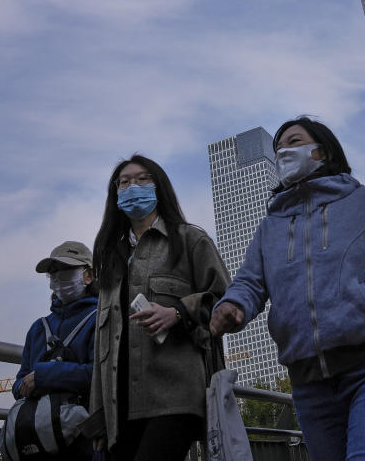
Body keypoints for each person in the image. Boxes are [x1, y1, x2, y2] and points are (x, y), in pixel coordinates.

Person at [210, 116, 365, 461]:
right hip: (308, 385)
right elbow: (250, 282)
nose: (284, 151)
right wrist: (233, 305)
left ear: (322, 151)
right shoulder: (270, 226)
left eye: (294, 142)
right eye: (278, 148)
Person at [87, 155, 231, 461]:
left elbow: (226, 299)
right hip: (119, 407)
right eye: (124, 182)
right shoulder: (111, 257)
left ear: (159, 187)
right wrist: (98, 414)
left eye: (142, 179)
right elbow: (103, 344)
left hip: (175, 396)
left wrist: (178, 312)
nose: (132, 187)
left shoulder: (190, 239)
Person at [12, 241, 99, 460]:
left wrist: (44, 376)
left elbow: (99, 374)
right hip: (41, 437)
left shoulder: (101, 318)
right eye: (53, 273)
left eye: (66, 270)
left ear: (88, 275)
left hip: (84, 438)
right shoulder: (38, 328)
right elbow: (20, 381)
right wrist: (24, 386)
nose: (58, 278)